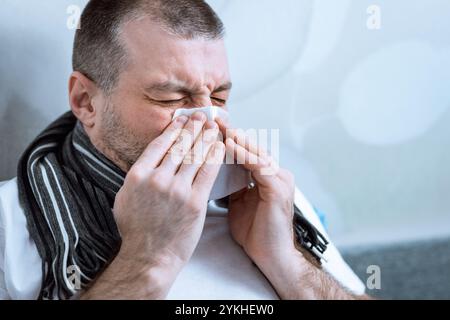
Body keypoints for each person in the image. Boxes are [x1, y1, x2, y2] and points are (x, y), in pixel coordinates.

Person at [0, 0, 367, 300]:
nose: (210, 122)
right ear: (86, 101)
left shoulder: (266, 197)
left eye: (220, 96)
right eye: (172, 97)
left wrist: (287, 261)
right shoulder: (10, 223)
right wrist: (148, 258)